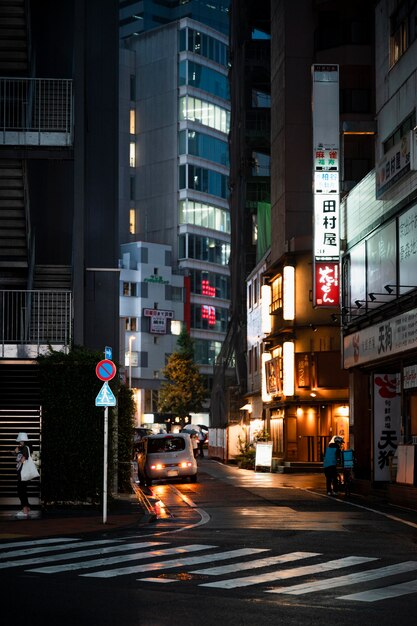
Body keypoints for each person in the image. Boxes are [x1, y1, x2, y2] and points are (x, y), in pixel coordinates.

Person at [13, 432, 32, 519]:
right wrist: (15, 452)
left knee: (21, 491)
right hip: (22, 474)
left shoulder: (25, 448)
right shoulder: (23, 448)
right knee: (23, 490)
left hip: (23, 474)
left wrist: (17, 454)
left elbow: (23, 460)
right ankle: (27, 508)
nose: (19, 441)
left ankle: (25, 510)